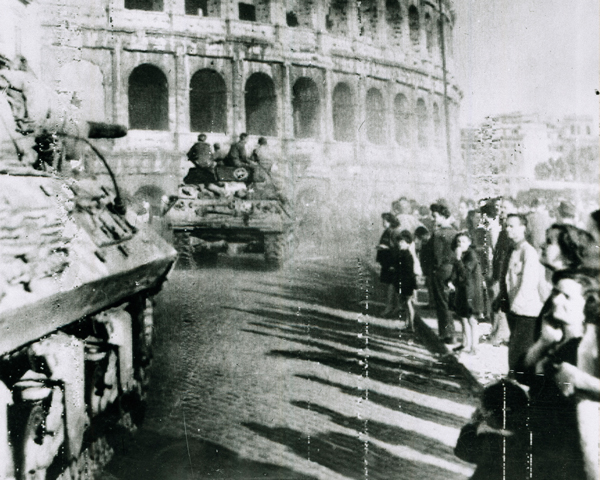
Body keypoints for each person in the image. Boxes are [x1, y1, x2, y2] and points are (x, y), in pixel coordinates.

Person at [521, 270, 599, 480]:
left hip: (572, 458)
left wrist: (578, 379)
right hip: (543, 449)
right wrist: (543, 343)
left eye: (567, 296)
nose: (556, 299)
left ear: (588, 304)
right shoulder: (555, 337)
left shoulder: (589, 351)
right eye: (556, 292)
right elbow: (522, 375)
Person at [496, 213, 549, 372]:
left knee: (518, 351)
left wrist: (515, 306)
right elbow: (508, 280)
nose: (508, 230)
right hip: (515, 309)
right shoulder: (514, 250)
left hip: (526, 311)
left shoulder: (529, 252)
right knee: (515, 348)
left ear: (523, 228)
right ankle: (515, 381)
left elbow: (528, 284)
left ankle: (517, 385)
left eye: (512, 226)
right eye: (507, 226)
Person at [454, 379, 530, 480]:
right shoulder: (526, 439)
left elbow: (462, 451)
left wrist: (472, 424)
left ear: (489, 414)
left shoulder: (490, 442)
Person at [449, 232, 485, 354]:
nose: (460, 244)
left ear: (469, 243)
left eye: (463, 241)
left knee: (472, 320)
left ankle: (474, 346)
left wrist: (458, 259)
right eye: (458, 241)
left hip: (472, 292)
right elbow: (456, 272)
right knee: (463, 318)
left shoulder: (471, 256)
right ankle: (466, 343)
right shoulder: (463, 254)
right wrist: (450, 281)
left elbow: (465, 273)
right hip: (463, 290)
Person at [428, 202, 458, 344]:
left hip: (440, 271)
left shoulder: (438, 234)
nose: (433, 218)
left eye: (435, 216)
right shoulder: (455, 232)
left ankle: (446, 334)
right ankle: (451, 333)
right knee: (450, 303)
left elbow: (435, 255)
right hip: (453, 270)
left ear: (442, 216)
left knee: (442, 303)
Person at [376, 213, 401, 318]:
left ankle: (390, 307)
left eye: (385, 221)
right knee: (391, 284)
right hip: (387, 261)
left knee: (391, 285)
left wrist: (385, 247)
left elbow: (397, 248)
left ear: (390, 222)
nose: (383, 223)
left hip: (391, 262)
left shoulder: (394, 232)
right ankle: (396, 306)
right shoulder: (388, 231)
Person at [393, 229, 417, 332]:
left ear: (408, 243)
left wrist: (414, 287)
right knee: (406, 304)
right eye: (399, 242)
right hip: (403, 282)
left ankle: (411, 326)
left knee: (408, 304)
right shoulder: (402, 254)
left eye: (402, 242)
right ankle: (408, 324)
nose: (399, 244)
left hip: (407, 283)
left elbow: (410, 273)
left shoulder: (407, 255)